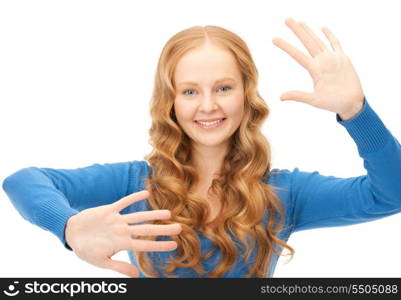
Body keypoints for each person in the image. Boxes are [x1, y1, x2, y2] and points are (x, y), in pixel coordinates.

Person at [3, 18, 401, 278]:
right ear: (170, 101)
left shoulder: (284, 194)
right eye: (190, 91)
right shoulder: (136, 183)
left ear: (246, 94)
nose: (208, 105)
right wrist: (68, 227)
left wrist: (356, 112)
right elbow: (23, 181)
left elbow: (391, 194)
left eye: (224, 88)